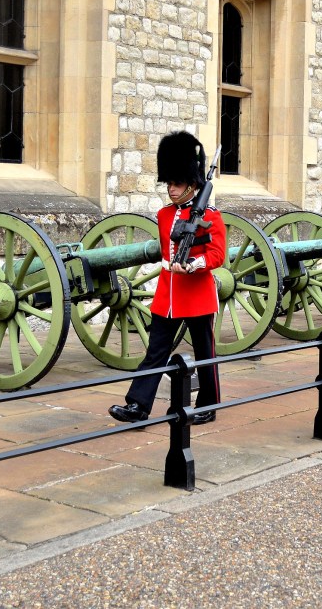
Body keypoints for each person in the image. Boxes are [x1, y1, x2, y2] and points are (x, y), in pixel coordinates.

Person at [108, 131, 226, 425]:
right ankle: (138, 406)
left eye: (177, 183)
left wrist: (195, 263)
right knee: (155, 351)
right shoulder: (163, 215)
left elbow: (217, 255)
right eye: (169, 183)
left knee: (204, 352)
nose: (172, 189)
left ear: (192, 183)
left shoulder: (211, 215)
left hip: (197, 293)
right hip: (168, 295)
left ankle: (208, 405)